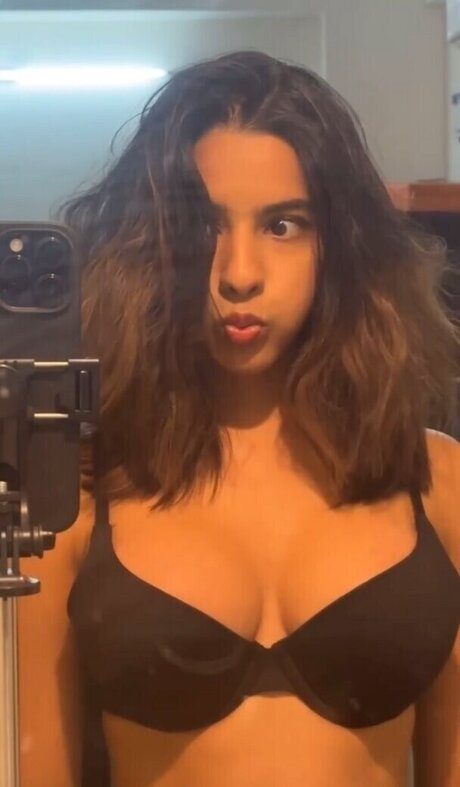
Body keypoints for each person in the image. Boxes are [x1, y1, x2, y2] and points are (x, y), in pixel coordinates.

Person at [18, 50, 459, 787]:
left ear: (338, 244)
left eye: (283, 225)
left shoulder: (439, 483)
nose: (239, 273)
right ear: (153, 244)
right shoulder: (75, 496)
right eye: (204, 227)